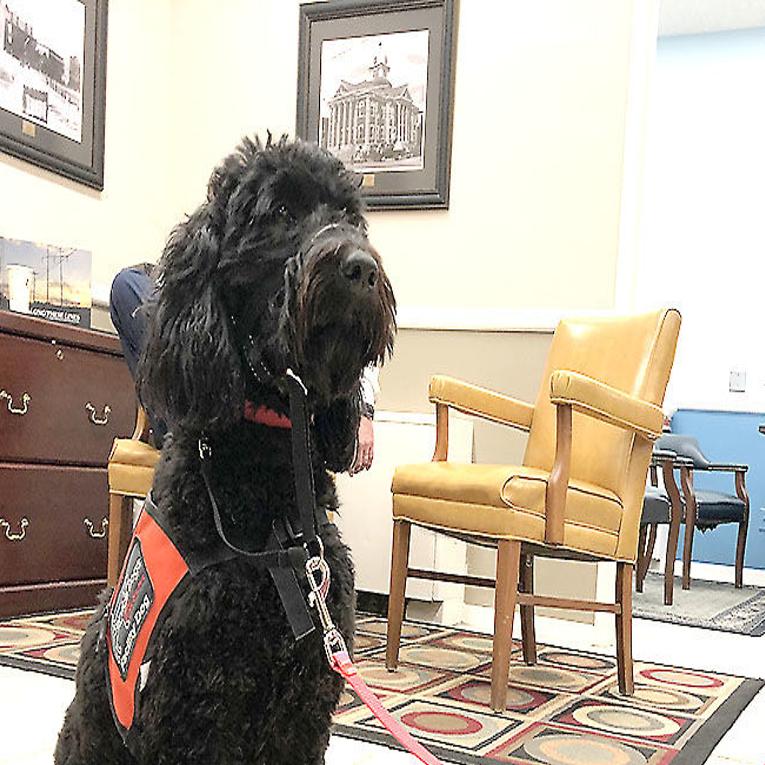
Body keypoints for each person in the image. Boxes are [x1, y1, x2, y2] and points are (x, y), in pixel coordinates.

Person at [109, 265, 377, 474]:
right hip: (216, 402)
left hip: (284, 424)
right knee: (128, 284)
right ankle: (190, 428)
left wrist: (362, 411)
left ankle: (189, 432)